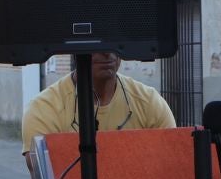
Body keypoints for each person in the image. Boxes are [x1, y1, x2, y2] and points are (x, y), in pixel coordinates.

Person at [19, 52, 176, 150]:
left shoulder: (149, 102)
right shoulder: (44, 108)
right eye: (97, 41)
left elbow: (171, 163)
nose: (107, 52)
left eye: (114, 41)